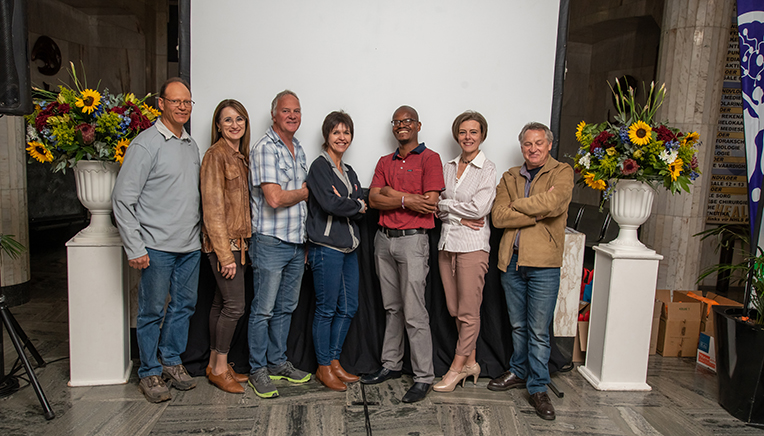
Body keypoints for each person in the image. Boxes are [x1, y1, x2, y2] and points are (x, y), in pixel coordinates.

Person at [112, 77, 201, 403]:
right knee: (151, 311)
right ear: (160, 103)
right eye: (176, 101)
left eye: (187, 102)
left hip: (189, 247)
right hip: (155, 247)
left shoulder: (190, 145)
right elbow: (123, 199)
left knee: (184, 307)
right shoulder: (145, 144)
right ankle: (149, 371)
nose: (183, 107)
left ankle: (172, 362)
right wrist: (135, 247)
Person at [489, 122, 573, 420]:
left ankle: (538, 388)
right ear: (521, 146)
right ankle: (519, 371)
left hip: (543, 265)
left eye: (539, 143)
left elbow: (553, 204)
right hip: (510, 262)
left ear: (549, 145)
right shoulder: (510, 175)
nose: (533, 148)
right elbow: (498, 217)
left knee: (538, 331)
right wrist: (534, 213)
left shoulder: (562, 172)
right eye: (527, 144)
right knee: (518, 327)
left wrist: (519, 206)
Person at [361, 105, 445, 404]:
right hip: (384, 241)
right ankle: (391, 365)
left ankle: (423, 376)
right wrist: (409, 198)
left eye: (407, 121)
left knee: (414, 311)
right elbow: (373, 198)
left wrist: (392, 197)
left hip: (413, 242)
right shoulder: (385, 161)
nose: (401, 126)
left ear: (418, 125)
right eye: (396, 122)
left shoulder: (431, 159)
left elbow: (431, 203)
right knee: (392, 308)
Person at [247, 90, 311, 399]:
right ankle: (257, 369)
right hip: (270, 242)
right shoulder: (264, 148)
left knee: (286, 308)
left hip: (296, 243)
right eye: (286, 111)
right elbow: (274, 198)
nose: (292, 115)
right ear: (275, 115)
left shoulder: (298, 148)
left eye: (297, 111)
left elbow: (292, 199)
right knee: (263, 310)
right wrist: (303, 192)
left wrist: (306, 240)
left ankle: (277, 362)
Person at [433, 111, 496, 392]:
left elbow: (480, 209)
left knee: (469, 312)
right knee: (454, 309)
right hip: (447, 245)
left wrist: (447, 207)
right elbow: (435, 206)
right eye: (463, 132)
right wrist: (457, 214)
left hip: (472, 247)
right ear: (456, 135)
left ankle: (456, 369)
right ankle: (471, 362)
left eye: (473, 132)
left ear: (482, 135)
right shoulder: (447, 166)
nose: (467, 137)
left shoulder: (488, 168)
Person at [306, 111, 367, 392]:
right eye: (336, 132)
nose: (341, 137)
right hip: (326, 248)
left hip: (349, 247)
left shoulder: (349, 171)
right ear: (326, 136)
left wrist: (351, 203)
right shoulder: (319, 167)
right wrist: (353, 204)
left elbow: (358, 202)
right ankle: (322, 367)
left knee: (349, 307)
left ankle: (333, 360)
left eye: (346, 133)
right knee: (327, 309)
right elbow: (331, 204)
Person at [199, 99, 252, 393]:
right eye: (228, 120)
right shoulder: (215, 156)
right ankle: (219, 369)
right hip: (225, 245)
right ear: (218, 125)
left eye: (239, 119)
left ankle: (215, 363)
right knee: (235, 306)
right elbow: (213, 210)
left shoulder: (239, 157)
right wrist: (224, 254)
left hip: (240, 244)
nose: (235, 125)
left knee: (221, 304)